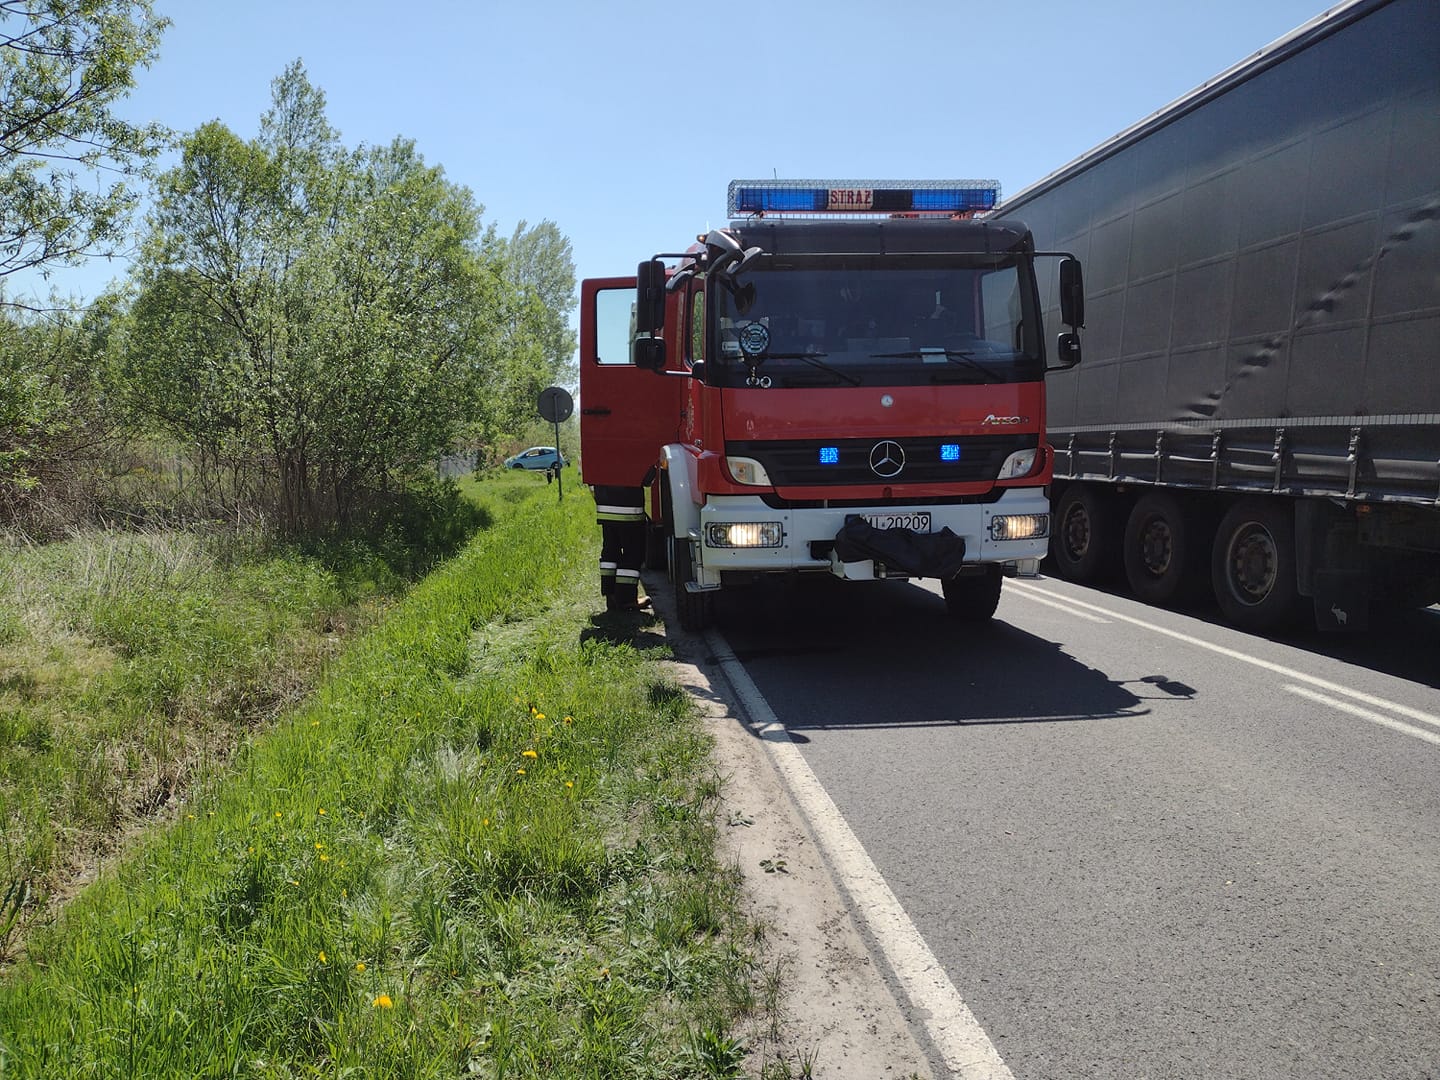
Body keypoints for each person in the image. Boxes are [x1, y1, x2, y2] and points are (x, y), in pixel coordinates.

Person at [593, 484, 647, 611]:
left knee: (610, 551)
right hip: (629, 508)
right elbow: (647, 477)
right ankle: (626, 599)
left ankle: (610, 596)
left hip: (606, 508)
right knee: (632, 553)